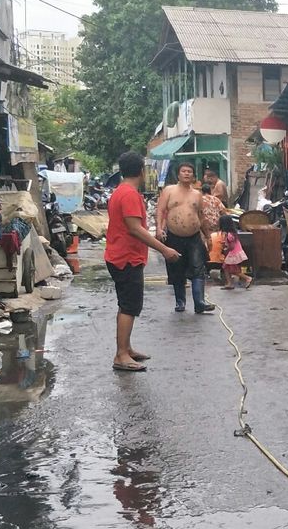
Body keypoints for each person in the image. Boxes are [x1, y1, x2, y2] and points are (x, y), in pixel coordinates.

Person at [104, 151, 180, 372]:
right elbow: (135, 228)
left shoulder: (122, 192)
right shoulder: (129, 195)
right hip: (125, 258)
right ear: (141, 171)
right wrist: (164, 249)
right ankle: (121, 355)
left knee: (127, 303)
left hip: (122, 255)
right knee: (129, 305)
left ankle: (126, 348)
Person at [156, 162, 215, 314]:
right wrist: (159, 228)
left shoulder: (197, 194)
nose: (187, 174)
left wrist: (208, 237)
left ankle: (199, 302)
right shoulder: (169, 190)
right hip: (174, 236)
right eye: (184, 171)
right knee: (177, 269)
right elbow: (161, 210)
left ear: (193, 175)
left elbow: (201, 217)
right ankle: (180, 301)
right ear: (179, 174)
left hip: (194, 237)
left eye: (190, 171)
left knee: (198, 268)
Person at [218, 213, 252, 289]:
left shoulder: (229, 235)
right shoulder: (232, 233)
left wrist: (226, 248)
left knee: (233, 270)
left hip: (233, 254)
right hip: (235, 253)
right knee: (226, 267)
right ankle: (229, 283)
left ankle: (247, 278)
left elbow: (232, 246)